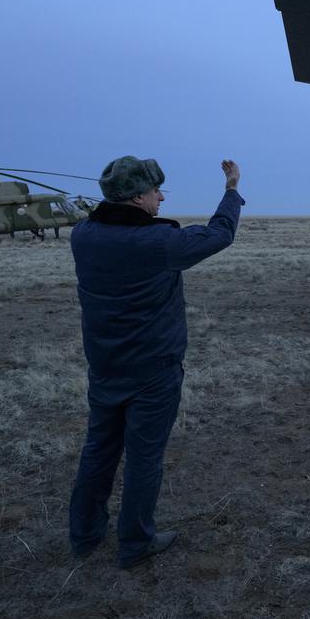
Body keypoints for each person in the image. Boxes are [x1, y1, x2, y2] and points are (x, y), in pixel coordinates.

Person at [68, 155, 244, 569]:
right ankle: (135, 543)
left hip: (105, 364)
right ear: (135, 197)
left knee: (99, 449)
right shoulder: (158, 243)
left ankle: (84, 535)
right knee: (145, 457)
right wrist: (232, 189)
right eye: (155, 192)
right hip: (154, 369)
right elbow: (220, 234)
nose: (161, 197)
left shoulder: (83, 235)